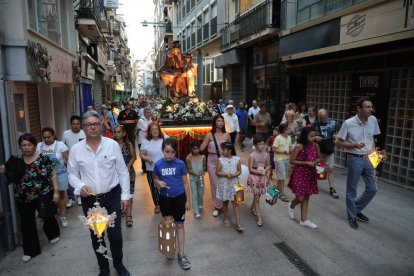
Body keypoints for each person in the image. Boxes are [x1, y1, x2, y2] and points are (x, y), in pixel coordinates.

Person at [67, 111, 130, 276]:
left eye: (95, 124)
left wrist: (125, 196)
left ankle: (119, 264)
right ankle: (104, 268)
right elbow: (71, 174)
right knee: (98, 236)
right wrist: (80, 185)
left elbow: (123, 172)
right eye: (88, 124)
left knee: (115, 236)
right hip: (91, 201)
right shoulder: (76, 150)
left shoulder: (112, 145)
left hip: (112, 197)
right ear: (83, 128)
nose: (92, 127)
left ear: (101, 125)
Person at [0, 133, 60, 263]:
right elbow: (8, 180)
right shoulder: (15, 162)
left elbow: (53, 175)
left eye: (29, 145)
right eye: (23, 145)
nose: (26, 148)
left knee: (48, 216)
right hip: (23, 198)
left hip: (44, 194)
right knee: (27, 224)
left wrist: (56, 192)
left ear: (34, 146)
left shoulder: (43, 159)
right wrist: (4, 172)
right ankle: (30, 250)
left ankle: (53, 234)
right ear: (20, 147)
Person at [337, 97, 381, 230]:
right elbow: (338, 142)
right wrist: (352, 145)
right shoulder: (348, 123)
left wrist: (375, 162)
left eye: (371, 107)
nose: (370, 109)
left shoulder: (373, 120)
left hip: (369, 158)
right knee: (352, 189)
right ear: (359, 109)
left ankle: (356, 209)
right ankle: (352, 216)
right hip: (354, 158)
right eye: (367, 107)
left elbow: (372, 140)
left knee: (373, 188)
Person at [154, 138, 191, 270]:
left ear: (176, 152)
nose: (169, 155)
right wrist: (158, 183)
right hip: (165, 200)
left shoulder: (180, 164)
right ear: (162, 150)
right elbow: (155, 178)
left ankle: (182, 255)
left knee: (180, 226)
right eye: (167, 152)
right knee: (168, 225)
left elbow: (186, 183)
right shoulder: (158, 164)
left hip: (179, 199)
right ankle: (169, 248)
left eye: (172, 152)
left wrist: (188, 200)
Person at [287, 127, 321, 229]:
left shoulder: (315, 145)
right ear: (304, 136)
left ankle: (304, 220)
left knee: (306, 197)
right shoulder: (299, 146)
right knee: (300, 197)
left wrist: (316, 162)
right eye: (311, 136)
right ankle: (291, 206)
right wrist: (306, 163)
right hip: (299, 173)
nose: (314, 138)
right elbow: (292, 161)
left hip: (310, 174)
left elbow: (319, 157)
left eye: (314, 135)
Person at [36, 127, 69, 228]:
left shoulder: (60, 145)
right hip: (45, 176)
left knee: (61, 195)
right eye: (44, 137)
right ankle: (51, 215)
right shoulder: (39, 146)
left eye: (49, 137)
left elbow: (67, 159)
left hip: (60, 173)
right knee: (49, 196)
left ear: (54, 135)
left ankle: (62, 216)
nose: (46, 139)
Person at [199, 114, 231, 217]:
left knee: (224, 183)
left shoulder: (227, 135)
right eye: (218, 121)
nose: (221, 123)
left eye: (222, 121)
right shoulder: (209, 135)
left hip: (224, 161)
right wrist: (193, 153)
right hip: (212, 162)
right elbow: (201, 148)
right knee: (215, 184)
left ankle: (224, 203)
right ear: (214, 122)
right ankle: (217, 206)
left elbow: (231, 150)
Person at [313, 109, 340, 199]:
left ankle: (332, 188)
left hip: (329, 150)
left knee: (330, 169)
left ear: (327, 116)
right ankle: (313, 185)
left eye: (323, 118)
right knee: (318, 169)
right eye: (320, 118)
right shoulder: (315, 124)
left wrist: (336, 136)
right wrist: (315, 137)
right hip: (319, 151)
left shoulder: (333, 123)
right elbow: (309, 135)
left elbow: (340, 132)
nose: (322, 120)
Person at [215, 142, 243, 232]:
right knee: (225, 202)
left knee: (236, 203)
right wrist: (225, 174)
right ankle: (225, 218)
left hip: (235, 183)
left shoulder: (237, 159)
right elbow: (217, 172)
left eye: (224, 150)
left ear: (230, 151)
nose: (222, 151)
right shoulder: (220, 160)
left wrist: (234, 174)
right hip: (224, 183)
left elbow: (240, 171)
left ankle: (238, 223)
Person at [113, 125, 136, 227]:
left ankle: (129, 216)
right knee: (118, 193)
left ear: (123, 133)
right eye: (115, 132)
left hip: (128, 173)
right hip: (115, 174)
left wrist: (128, 166)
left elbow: (133, 156)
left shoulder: (128, 144)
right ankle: (122, 209)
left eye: (119, 132)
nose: (117, 134)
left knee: (129, 194)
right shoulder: (111, 145)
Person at [139, 123, 165, 213]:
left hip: (164, 167)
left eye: (156, 129)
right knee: (154, 187)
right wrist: (147, 159)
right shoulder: (146, 141)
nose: (155, 131)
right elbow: (141, 154)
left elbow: (172, 147)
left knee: (164, 185)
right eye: (152, 129)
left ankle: (165, 203)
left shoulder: (164, 138)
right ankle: (157, 205)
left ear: (159, 130)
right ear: (149, 131)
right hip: (151, 168)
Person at [247, 136, 272, 227]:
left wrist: (266, 171)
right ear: (255, 145)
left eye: (263, 144)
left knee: (259, 195)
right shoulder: (252, 155)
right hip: (255, 177)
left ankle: (252, 207)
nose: (262, 146)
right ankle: (259, 218)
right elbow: (250, 169)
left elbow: (269, 165)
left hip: (263, 177)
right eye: (260, 144)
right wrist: (259, 172)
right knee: (257, 197)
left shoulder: (266, 155)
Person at [62, 115, 86, 207]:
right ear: (70, 124)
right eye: (73, 124)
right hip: (69, 159)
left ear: (80, 124)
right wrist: (65, 159)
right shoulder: (65, 133)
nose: (76, 126)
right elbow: (63, 146)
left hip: (82, 159)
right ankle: (71, 198)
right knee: (71, 177)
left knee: (81, 177)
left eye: (77, 124)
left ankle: (80, 196)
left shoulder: (84, 133)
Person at [186, 140, 206, 218]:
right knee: (194, 194)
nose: (196, 150)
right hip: (193, 179)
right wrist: (195, 173)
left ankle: (200, 204)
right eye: (194, 149)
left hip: (201, 178)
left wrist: (202, 170)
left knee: (201, 192)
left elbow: (204, 166)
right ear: (191, 149)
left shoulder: (203, 157)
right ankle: (196, 211)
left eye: (197, 148)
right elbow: (189, 169)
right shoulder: (189, 158)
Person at [272, 123, 292, 202]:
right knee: (282, 177)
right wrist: (284, 151)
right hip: (279, 159)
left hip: (286, 159)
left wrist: (291, 151)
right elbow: (273, 149)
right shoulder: (278, 138)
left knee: (282, 176)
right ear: (284, 130)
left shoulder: (289, 137)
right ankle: (282, 194)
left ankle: (275, 190)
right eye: (288, 129)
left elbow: (290, 148)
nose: (290, 130)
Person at [137, 107, 152, 174]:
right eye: (148, 112)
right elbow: (147, 128)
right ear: (144, 113)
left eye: (150, 112)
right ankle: (144, 169)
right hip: (142, 140)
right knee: (143, 155)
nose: (149, 114)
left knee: (147, 154)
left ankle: (147, 168)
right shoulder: (141, 120)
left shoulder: (149, 119)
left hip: (148, 140)